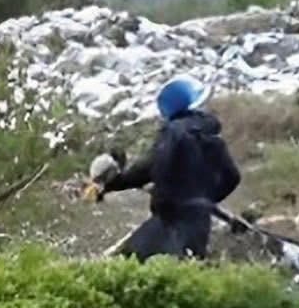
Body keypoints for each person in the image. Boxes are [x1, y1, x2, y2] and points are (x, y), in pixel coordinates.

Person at [87, 75, 240, 260]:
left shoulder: (171, 133)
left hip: (169, 218)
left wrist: (113, 184)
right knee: (188, 267)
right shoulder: (214, 139)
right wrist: (204, 200)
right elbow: (233, 178)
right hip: (199, 221)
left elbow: (148, 168)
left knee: (129, 262)